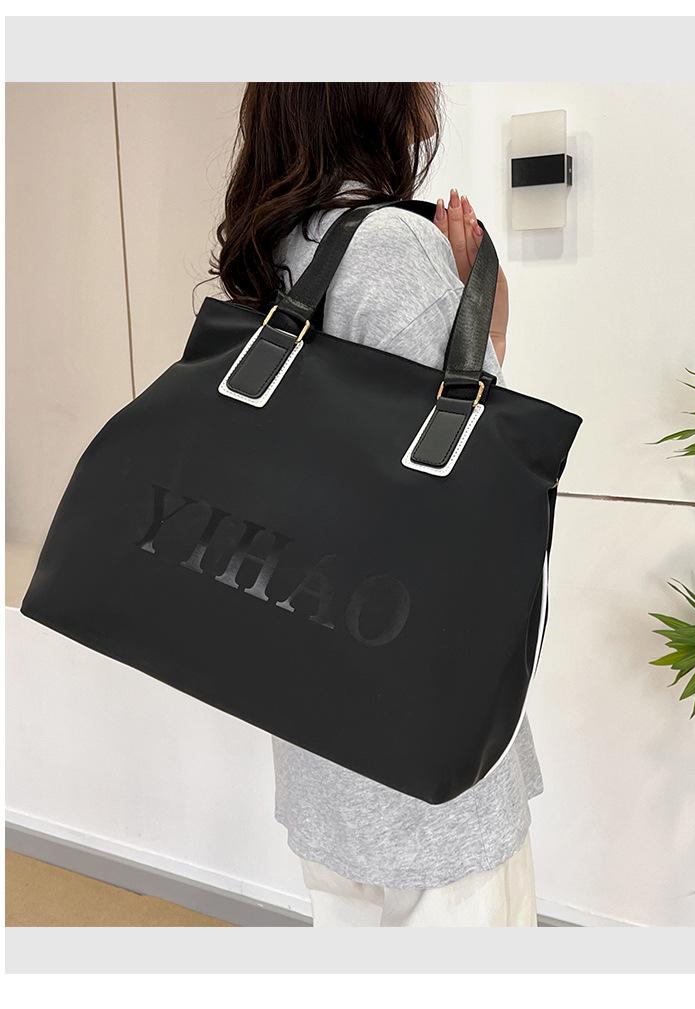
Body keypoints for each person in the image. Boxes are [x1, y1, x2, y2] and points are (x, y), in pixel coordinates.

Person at [215, 83, 542, 928]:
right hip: (421, 721)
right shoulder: (392, 244)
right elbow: (471, 478)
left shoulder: (272, 246)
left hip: (312, 699)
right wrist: (489, 323)